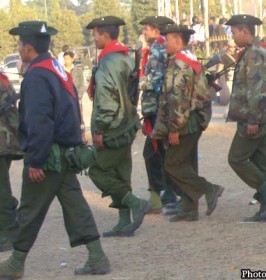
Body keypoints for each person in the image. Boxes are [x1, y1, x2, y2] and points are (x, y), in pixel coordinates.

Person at [0, 21, 111, 279]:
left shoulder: (37, 76)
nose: (19, 48)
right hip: (65, 153)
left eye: (19, 44)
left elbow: (39, 121)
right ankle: (96, 256)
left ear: (28, 48)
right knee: (75, 206)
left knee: (30, 209)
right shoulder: (56, 68)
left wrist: (36, 161)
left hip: (48, 157)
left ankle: (16, 263)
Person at [86, 16, 151, 237]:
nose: (92, 38)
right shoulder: (125, 57)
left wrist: (100, 130)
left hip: (112, 128)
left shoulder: (107, 63)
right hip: (127, 124)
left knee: (97, 169)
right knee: (121, 173)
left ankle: (135, 204)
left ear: (104, 35)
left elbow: (106, 101)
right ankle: (124, 222)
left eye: (94, 34)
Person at [152, 25, 224, 222]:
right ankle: (189, 207)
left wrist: (175, 128)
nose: (165, 43)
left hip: (184, 121)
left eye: (167, 39)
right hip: (192, 119)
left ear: (177, 40)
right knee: (187, 164)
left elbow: (179, 98)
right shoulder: (188, 59)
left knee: (172, 164)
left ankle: (209, 189)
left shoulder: (179, 64)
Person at [225, 14, 266, 222]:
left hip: (256, 117)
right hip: (263, 115)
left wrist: (252, 119)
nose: (232, 37)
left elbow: (256, 89)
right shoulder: (256, 51)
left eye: (234, 32)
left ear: (245, 30)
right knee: (259, 160)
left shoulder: (254, 53)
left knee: (236, 158)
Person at [139, 16, 180, 214]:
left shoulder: (157, 49)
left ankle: (164, 196)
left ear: (156, 30)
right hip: (164, 107)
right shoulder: (167, 48)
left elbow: (154, 80)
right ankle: (167, 195)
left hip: (158, 108)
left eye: (146, 28)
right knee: (164, 152)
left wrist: (136, 82)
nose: (144, 33)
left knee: (154, 152)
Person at [0, 73, 22, 253]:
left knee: (1, 191)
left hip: (2, 143)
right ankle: (12, 222)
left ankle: (6, 234)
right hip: (6, 141)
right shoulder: (2, 78)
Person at [63, 51, 88, 143]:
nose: (66, 60)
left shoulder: (78, 71)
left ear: (72, 59)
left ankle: (82, 135)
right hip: (65, 98)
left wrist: (79, 95)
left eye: (68, 58)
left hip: (76, 98)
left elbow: (82, 85)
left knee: (79, 117)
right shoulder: (61, 71)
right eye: (65, 59)